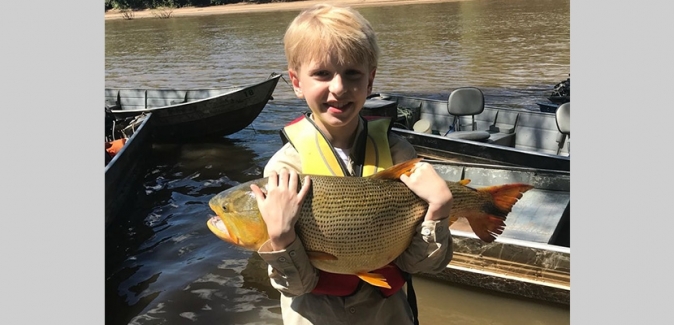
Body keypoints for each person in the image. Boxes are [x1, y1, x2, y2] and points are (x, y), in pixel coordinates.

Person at [250, 4, 454, 324]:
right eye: (321, 73)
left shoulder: (399, 153)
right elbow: (296, 286)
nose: (339, 88)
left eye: (352, 73)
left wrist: (439, 208)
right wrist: (281, 240)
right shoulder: (283, 172)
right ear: (296, 81)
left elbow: (422, 265)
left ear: (370, 81)